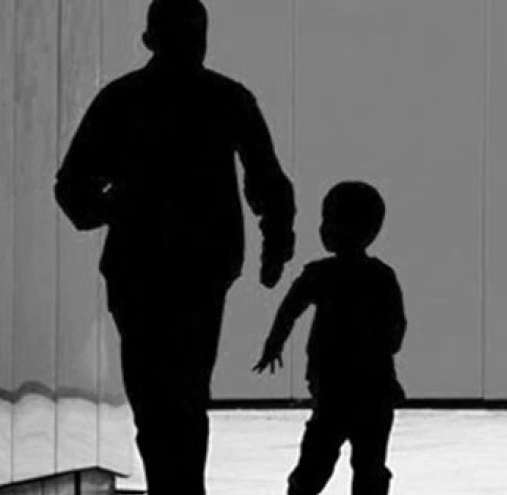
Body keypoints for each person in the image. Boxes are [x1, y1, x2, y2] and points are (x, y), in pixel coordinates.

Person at [54, 0, 296, 493]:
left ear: (148, 39)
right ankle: (184, 487)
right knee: (187, 390)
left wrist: (117, 205)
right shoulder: (227, 97)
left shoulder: (121, 99)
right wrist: (276, 244)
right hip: (204, 265)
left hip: (137, 266)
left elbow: (73, 188)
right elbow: (268, 181)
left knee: (152, 396)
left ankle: (172, 486)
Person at [254, 181, 406, 495]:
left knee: (315, 463)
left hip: (333, 389)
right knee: (369, 467)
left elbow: (289, 311)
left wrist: (274, 343)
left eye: (331, 220)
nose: (324, 228)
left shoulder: (320, 274)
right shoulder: (381, 276)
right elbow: (396, 330)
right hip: (374, 391)